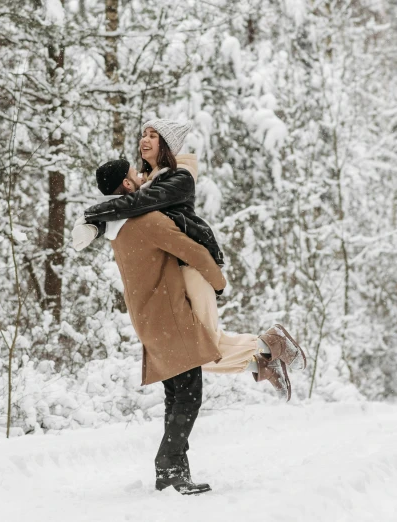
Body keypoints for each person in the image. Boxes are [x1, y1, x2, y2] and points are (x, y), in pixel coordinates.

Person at [71, 119, 304, 495]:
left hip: (149, 320)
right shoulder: (145, 220)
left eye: (150, 137)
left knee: (179, 392)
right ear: (128, 186)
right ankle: (268, 349)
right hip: (171, 313)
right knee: (192, 388)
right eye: (134, 172)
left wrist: (94, 220)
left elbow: (140, 201)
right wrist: (219, 281)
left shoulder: (125, 224)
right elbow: (189, 249)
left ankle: (173, 472)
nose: (141, 152)